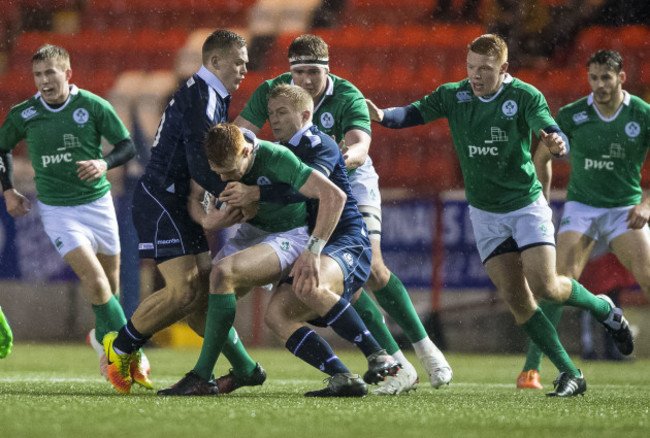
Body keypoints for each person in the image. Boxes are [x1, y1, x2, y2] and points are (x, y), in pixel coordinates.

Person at [365, 34, 634, 397]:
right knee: (518, 299)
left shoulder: (523, 95)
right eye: (471, 67)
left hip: (525, 204)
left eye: (485, 69)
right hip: (485, 213)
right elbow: (410, 114)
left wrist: (556, 140)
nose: (475, 75)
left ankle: (604, 309)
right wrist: (381, 115)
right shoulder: (453, 94)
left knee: (546, 286)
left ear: (503, 69)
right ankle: (571, 373)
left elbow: (547, 126)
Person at [234, 34, 451, 393]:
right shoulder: (275, 92)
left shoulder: (346, 95)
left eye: (312, 73)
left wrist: (328, 166)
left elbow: (360, 148)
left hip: (346, 180)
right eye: (298, 72)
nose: (304, 80)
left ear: (327, 70)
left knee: (375, 271)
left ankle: (427, 351)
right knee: (339, 286)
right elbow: (241, 135)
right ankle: (392, 362)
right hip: (298, 184)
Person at [159, 122, 400, 397]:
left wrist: (313, 249)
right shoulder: (217, 156)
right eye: (219, 173)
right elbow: (196, 196)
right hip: (252, 234)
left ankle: (202, 375)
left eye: (230, 172)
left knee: (222, 274)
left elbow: (334, 194)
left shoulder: (276, 157)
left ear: (247, 151)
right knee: (197, 306)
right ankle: (251, 369)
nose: (224, 179)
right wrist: (208, 219)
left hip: (290, 235)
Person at [101, 30, 262, 395]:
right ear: (216, 61)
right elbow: (201, 165)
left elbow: (203, 164)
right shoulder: (203, 98)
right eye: (238, 62)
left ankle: (246, 368)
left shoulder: (211, 95)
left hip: (175, 201)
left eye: (246, 63)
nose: (244, 70)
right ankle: (121, 347)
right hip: (161, 199)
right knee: (182, 291)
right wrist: (239, 198)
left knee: (201, 295)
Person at [0, 44, 139, 382]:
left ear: (67, 73)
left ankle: (102, 340)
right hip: (58, 210)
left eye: (50, 73)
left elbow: (127, 146)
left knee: (112, 286)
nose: (44, 80)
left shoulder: (92, 106)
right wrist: (8, 190)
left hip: (99, 204)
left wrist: (103, 162)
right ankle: (128, 355)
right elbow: (2, 147)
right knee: (94, 281)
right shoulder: (24, 114)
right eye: (38, 74)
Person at [518, 49, 649, 389]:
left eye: (606, 77)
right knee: (555, 284)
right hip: (583, 208)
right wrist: (542, 202)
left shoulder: (642, 114)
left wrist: (647, 204)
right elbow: (541, 157)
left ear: (621, 78)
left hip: (625, 209)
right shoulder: (573, 114)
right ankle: (532, 370)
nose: (599, 85)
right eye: (594, 78)